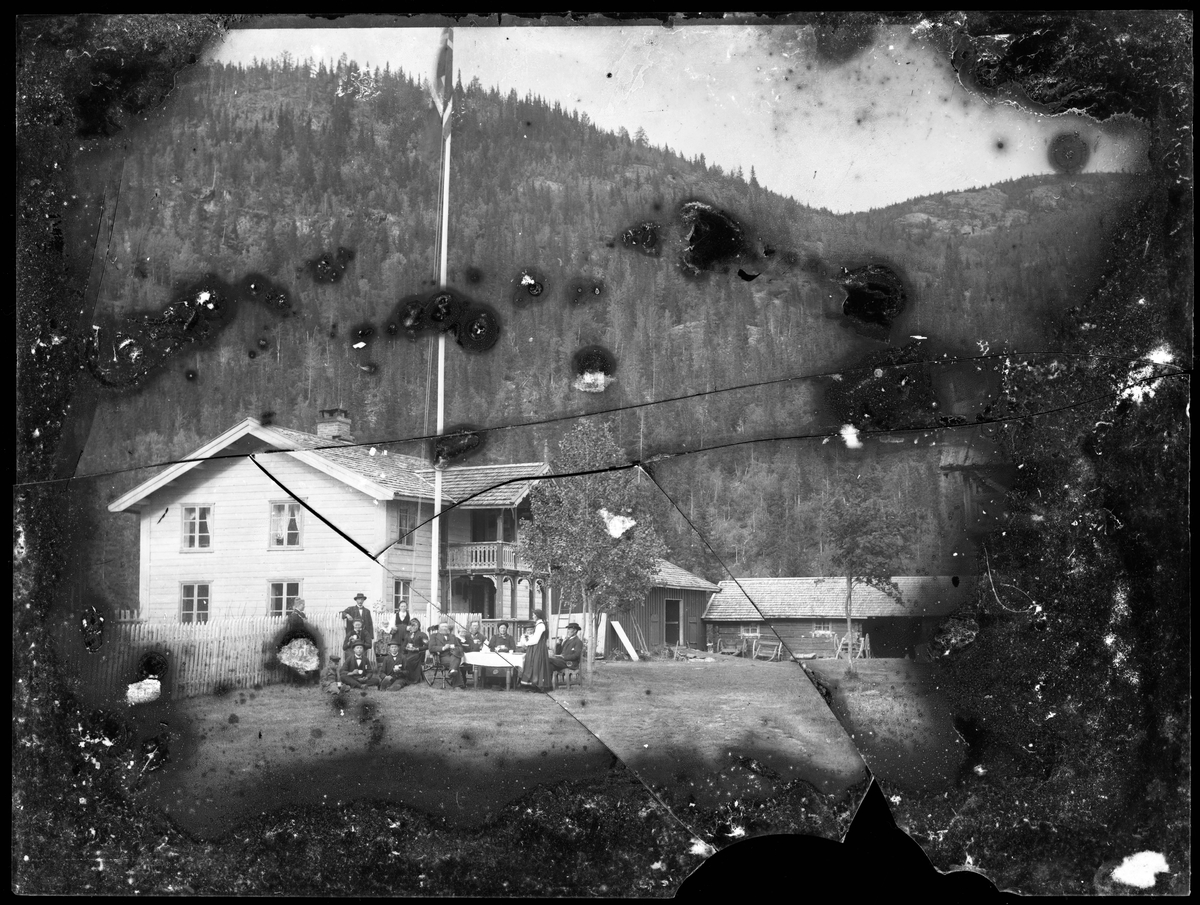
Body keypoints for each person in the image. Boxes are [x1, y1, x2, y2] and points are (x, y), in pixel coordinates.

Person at [519, 608, 553, 692]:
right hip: (536, 646)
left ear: (538, 616)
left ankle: (539, 685)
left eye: (534, 615)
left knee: (538, 664)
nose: (533, 616)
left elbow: (536, 639)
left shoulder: (541, 625)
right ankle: (533, 685)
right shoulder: (538, 624)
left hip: (538, 646)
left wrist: (526, 644)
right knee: (534, 665)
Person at [428, 618, 466, 689]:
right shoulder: (434, 636)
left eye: (446, 627)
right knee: (456, 663)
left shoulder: (453, 636)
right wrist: (443, 648)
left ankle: (452, 671)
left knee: (455, 658)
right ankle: (457, 684)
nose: (445, 628)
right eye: (443, 627)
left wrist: (454, 648)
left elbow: (460, 647)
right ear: (439, 628)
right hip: (442, 657)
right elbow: (431, 648)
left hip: (454, 655)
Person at [400, 618, 428, 685]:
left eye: (415, 625)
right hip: (409, 653)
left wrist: (417, 649)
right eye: (412, 625)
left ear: (418, 626)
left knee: (408, 660)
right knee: (401, 659)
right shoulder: (408, 635)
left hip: (419, 653)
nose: (413, 627)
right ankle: (404, 678)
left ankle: (414, 679)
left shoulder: (422, 634)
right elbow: (403, 646)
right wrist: (406, 648)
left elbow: (427, 646)